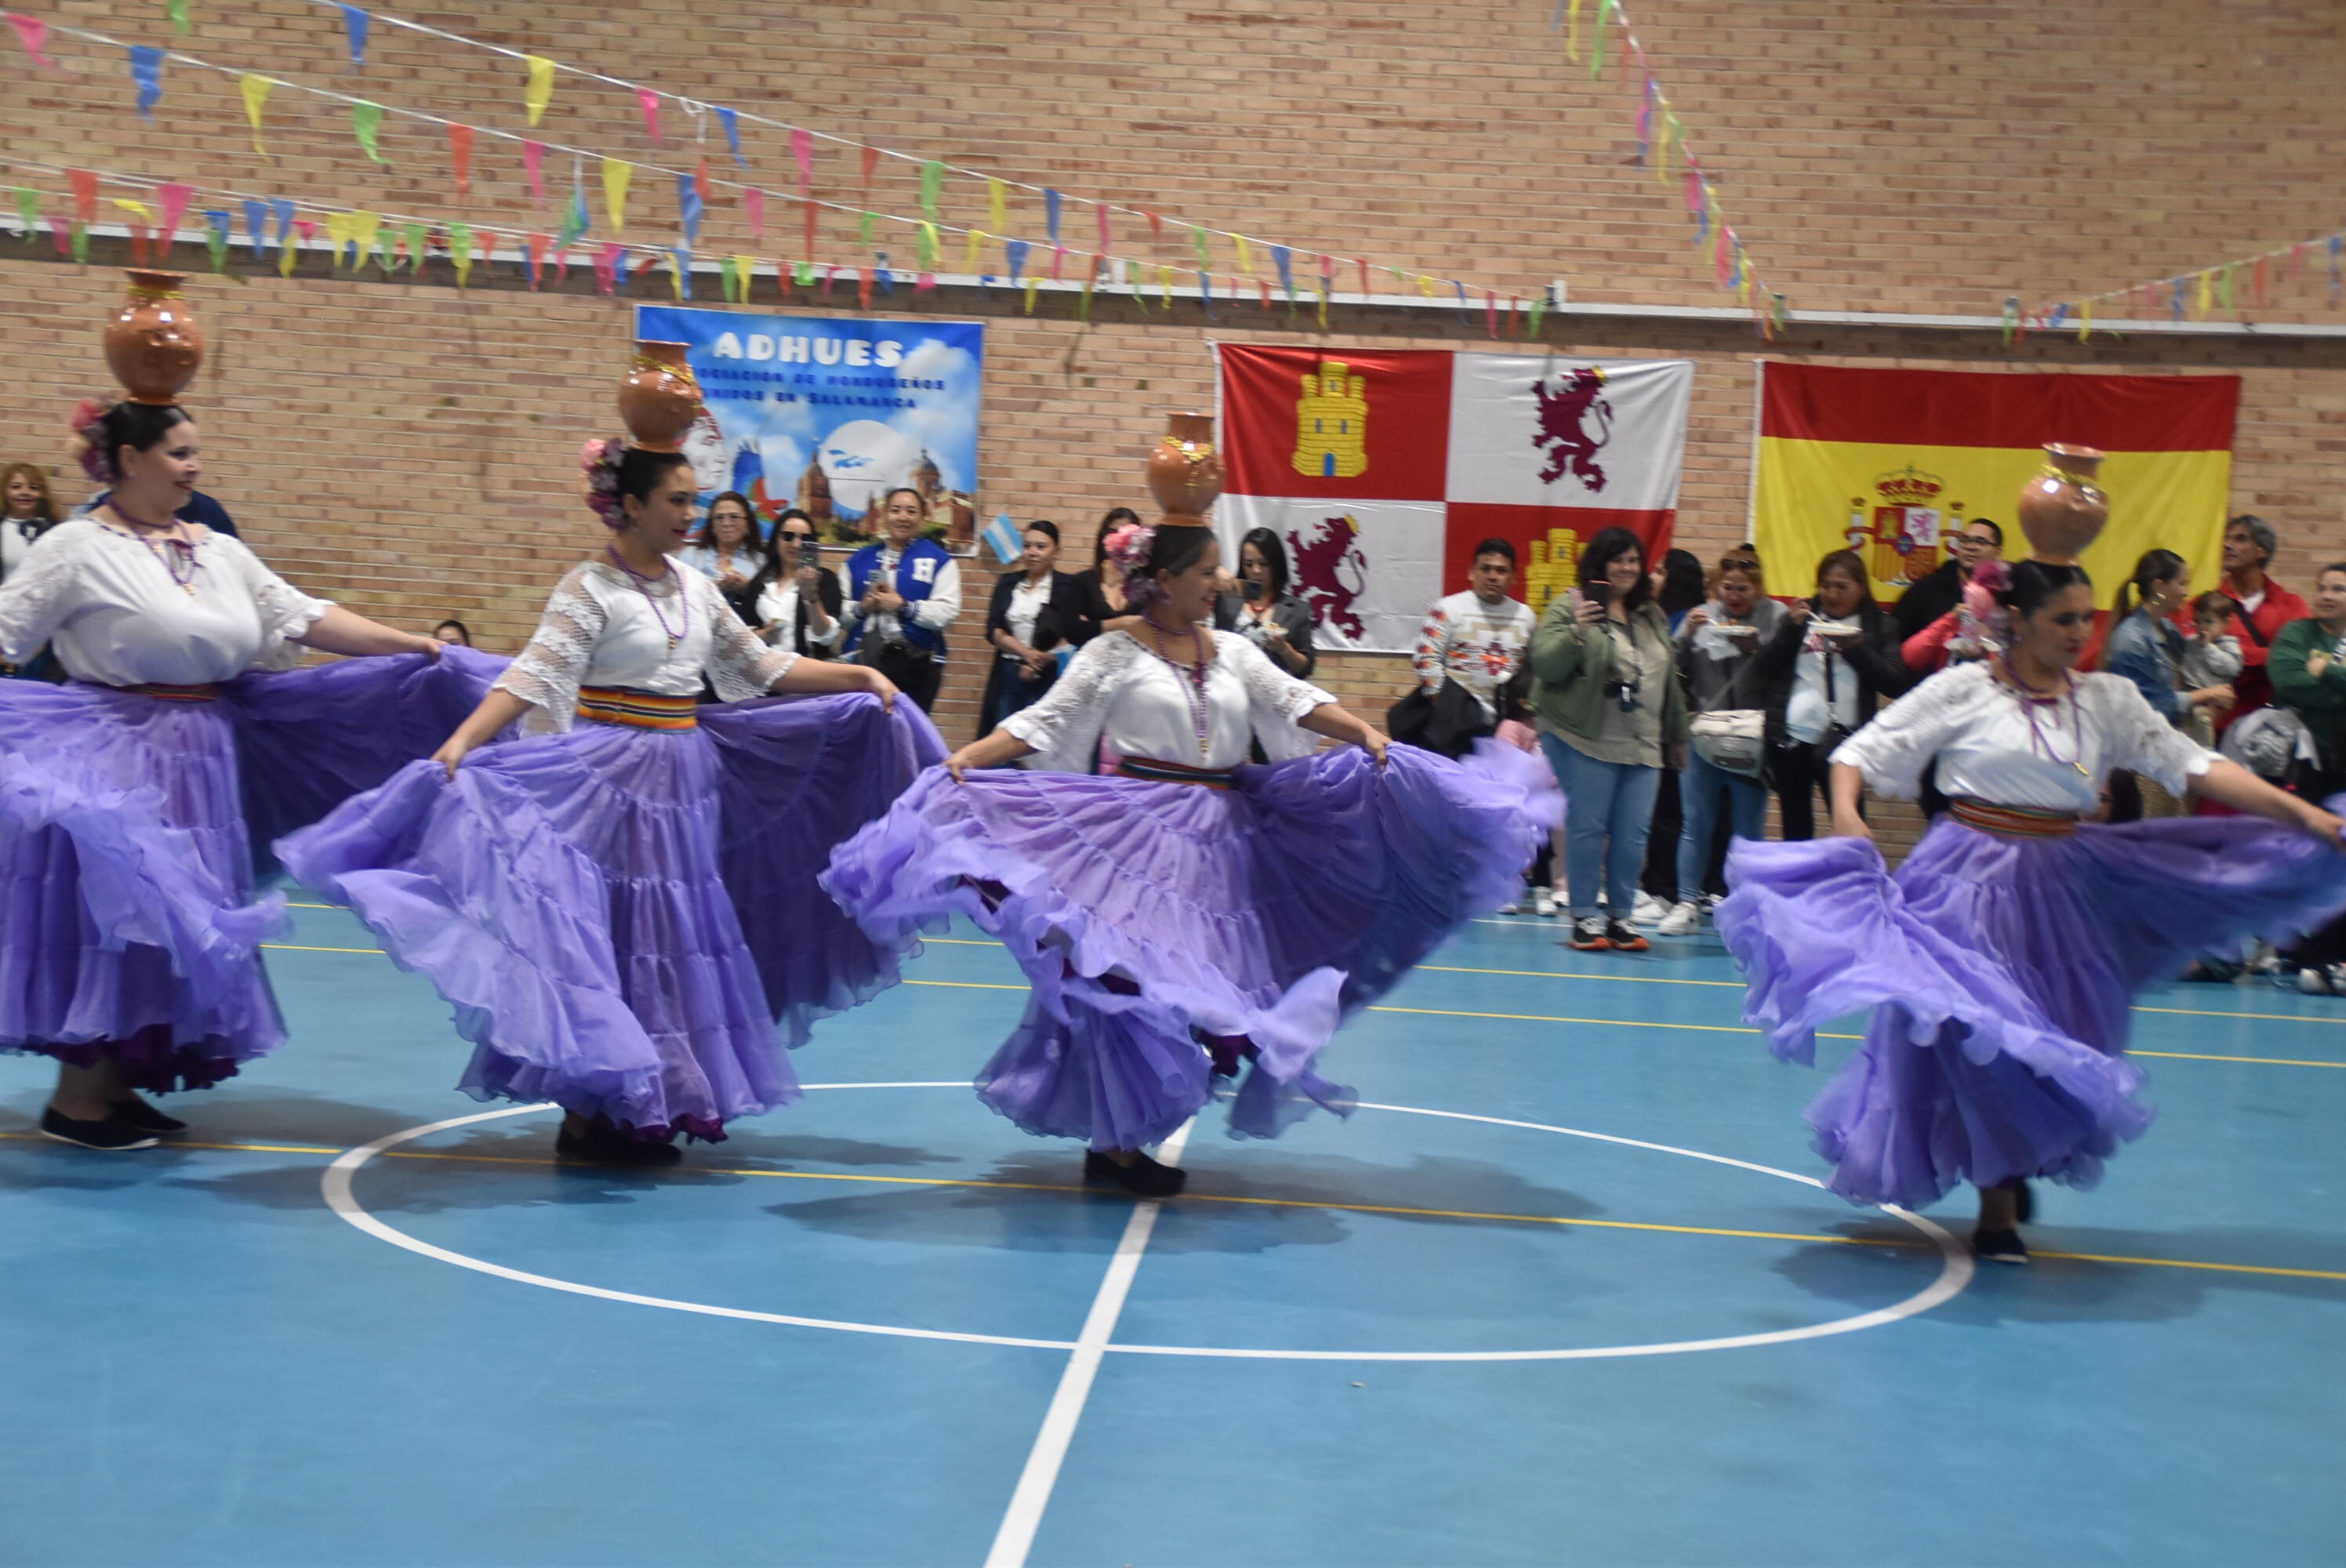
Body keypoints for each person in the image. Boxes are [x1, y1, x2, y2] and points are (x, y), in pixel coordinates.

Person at [279, 389, 942, 1167]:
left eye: (695, 500)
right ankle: (595, 1109)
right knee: (619, 941)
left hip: (683, 779)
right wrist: (460, 744)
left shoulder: (696, 588)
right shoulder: (589, 587)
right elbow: (531, 677)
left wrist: (854, 674)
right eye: (677, 501)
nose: (690, 515)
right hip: (607, 776)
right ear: (629, 504)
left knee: (674, 941)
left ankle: (651, 1101)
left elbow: (758, 666)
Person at [823, 521, 1552, 1198]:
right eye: (1207, 570)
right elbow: (1046, 719)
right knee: (1128, 984)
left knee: (1199, 988)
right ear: (1164, 579)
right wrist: (970, 759)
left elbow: (1293, 698)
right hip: (1134, 833)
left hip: (1223, 839)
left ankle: (1122, 1134)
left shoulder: (1232, 649)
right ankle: (1114, 1146)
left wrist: (1362, 731)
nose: (1221, 580)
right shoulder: (1113, 652)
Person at [1718, 559, 2346, 1264]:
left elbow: (2192, 764)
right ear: (2019, 620)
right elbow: (1863, 750)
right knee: (1985, 1035)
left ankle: (2008, 1167)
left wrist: (2305, 818)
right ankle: (1996, 1210)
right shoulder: (1965, 688)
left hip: (2060, 887)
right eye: (2064, 620)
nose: (2080, 633)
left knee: (2049, 1040)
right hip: (1964, 881)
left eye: (2086, 619)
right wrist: (1844, 814)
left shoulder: (2106, 699)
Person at [1, 391, 479, 1151]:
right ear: (130, 459)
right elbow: (8, 629)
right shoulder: (76, 545)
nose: (194, 466)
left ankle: (117, 1083)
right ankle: (78, 1098)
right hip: (118, 750)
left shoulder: (213, 547)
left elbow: (300, 613)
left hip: (203, 752)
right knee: (131, 919)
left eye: (195, 452)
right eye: (179, 452)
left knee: (185, 922)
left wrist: (411, 644)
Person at [1529, 527, 1687, 953]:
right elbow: (1544, 664)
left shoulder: (1650, 614)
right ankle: (1584, 918)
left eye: (1634, 560)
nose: (1627, 568)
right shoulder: (1573, 605)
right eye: (1618, 559)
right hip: (1585, 736)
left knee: (1633, 833)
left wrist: (1677, 734)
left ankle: (1620, 918)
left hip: (1644, 741)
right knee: (1588, 828)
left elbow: (1667, 678)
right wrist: (1577, 633)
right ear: (1599, 565)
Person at [1658, 553, 1784, 936]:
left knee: (1747, 830)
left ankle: (1746, 906)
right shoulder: (1700, 615)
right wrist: (1685, 637)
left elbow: (1784, 670)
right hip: (1703, 735)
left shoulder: (1774, 616)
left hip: (1751, 738)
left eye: (1743, 589)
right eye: (1727, 588)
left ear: (1758, 589)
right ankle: (1686, 902)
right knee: (1696, 823)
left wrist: (1755, 650)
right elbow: (1670, 670)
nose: (1733, 596)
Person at [1757, 548, 1913, 840]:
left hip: (1844, 743)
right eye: (1826, 585)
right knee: (1795, 829)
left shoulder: (1880, 626)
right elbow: (1763, 669)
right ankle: (1800, 886)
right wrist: (1789, 632)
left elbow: (1895, 683)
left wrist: (1854, 648)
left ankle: (1850, 884)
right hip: (1791, 740)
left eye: (1842, 587)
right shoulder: (1800, 619)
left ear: (1861, 588)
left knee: (1848, 827)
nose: (1832, 594)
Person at [2100, 550, 2235, 818]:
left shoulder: (2169, 630)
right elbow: (2147, 706)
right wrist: (2205, 694)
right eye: (2182, 583)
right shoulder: (2131, 639)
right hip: (2144, 760)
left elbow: (2183, 682)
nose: (2187, 591)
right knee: (2151, 834)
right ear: (2159, 587)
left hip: (2173, 748)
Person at [2269, 562, 2346, 993]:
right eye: (2323, 587)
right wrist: (2338, 694)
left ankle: (2335, 955)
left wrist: (2328, 672)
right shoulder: (2298, 635)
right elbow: (2288, 681)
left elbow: (2312, 680)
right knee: (2304, 856)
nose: (2328, 595)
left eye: (2339, 588)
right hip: (2305, 763)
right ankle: (2297, 954)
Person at [841, 486, 960, 713]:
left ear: (923, 517)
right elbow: (837, 617)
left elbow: (946, 613)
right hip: (861, 661)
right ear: (885, 515)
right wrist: (862, 608)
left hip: (917, 664)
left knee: (909, 733)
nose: (903, 517)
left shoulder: (940, 561)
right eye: (896, 510)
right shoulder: (856, 561)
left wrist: (904, 606)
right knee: (861, 730)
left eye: (911, 511)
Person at [2187, 514, 2308, 734]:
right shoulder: (2200, 605)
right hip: (2215, 725)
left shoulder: (2291, 605)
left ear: (2261, 551)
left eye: (2240, 539)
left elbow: (2296, 660)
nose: (2227, 545)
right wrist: (2266, 657)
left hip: (2270, 727)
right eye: (2227, 538)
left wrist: (2229, 655)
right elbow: (2193, 653)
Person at [978, 519, 1091, 736]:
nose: (1033, 552)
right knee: (1003, 738)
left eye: (1041, 547)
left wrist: (1042, 659)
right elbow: (994, 629)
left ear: (1056, 551)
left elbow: (1077, 630)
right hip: (1010, 672)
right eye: (1028, 546)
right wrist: (1025, 653)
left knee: (1042, 743)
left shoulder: (1069, 586)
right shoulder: (1008, 582)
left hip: (1050, 675)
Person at [1214, 526, 1318, 681]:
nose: (1256, 571)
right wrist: (1214, 573)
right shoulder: (1225, 600)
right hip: (1229, 689)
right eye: (1248, 564)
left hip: (1271, 695)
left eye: (1264, 564)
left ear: (1276, 564)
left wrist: (1284, 649)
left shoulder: (1297, 610)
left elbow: (1304, 669)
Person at [1891, 517, 2003, 643]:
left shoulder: (2007, 595)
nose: (1971, 547)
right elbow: (1892, 639)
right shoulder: (1928, 589)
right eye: (1965, 540)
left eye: (1981, 542)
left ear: (1998, 552)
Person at [752, 508, 844, 659]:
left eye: (805, 538)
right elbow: (744, 630)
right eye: (788, 537)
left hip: (807, 671)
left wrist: (811, 597)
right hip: (763, 669)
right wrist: (763, 635)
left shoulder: (825, 579)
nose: (796, 544)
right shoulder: (761, 580)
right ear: (776, 540)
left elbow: (827, 637)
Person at [2, 461, 64, 681]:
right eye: (16, 486)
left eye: (33, 487)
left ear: (42, 494)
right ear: (5, 491)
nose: (24, 493)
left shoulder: (56, 532)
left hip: (41, 633)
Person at [679, 490, 771, 623]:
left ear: (748, 525)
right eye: (719, 517)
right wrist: (712, 589)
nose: (726, 523)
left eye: (734, 517)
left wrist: (748, 589)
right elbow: (676, 596)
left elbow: (775, 605)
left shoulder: (762, 562)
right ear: (712, 526)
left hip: (746, 633)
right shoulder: (690, 555)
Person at [2178, 590, 2245, 748]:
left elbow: (2231, 668)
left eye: (2208, 621)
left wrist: (2208, 647)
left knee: (2201, 720)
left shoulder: (2229, 645)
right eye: (2198, 621)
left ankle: (2205, 748)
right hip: (2189, 689)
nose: (2202, 627)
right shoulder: (2192, 641)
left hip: (2211, 696)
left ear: (2226, 622)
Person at [1069, 505, 1141, 644]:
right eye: (1112, 532)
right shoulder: (1083, 581)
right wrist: (1121, 623)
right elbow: (1072, 630)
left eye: (1126, 535)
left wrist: (1094, 626)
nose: (1119, 541)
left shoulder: (1145, 584)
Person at [1651, 547, 1706, 633]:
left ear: (1676, 581)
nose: (1651, 577)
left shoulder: (1692, 620)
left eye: (1660, 572)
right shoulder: (1652, 611)